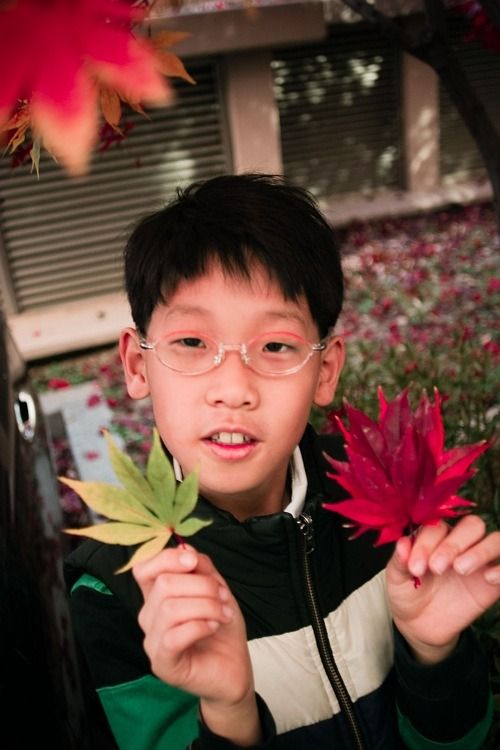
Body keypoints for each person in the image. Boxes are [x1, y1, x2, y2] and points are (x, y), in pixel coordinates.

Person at [65, 173, 499, 750]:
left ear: (325, 370)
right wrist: (230, 712)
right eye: (192, 343)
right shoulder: (115, 590)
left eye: (275, 346)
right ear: (137, 365)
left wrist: (432, 653)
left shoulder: (389, 497)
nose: (233, 389)